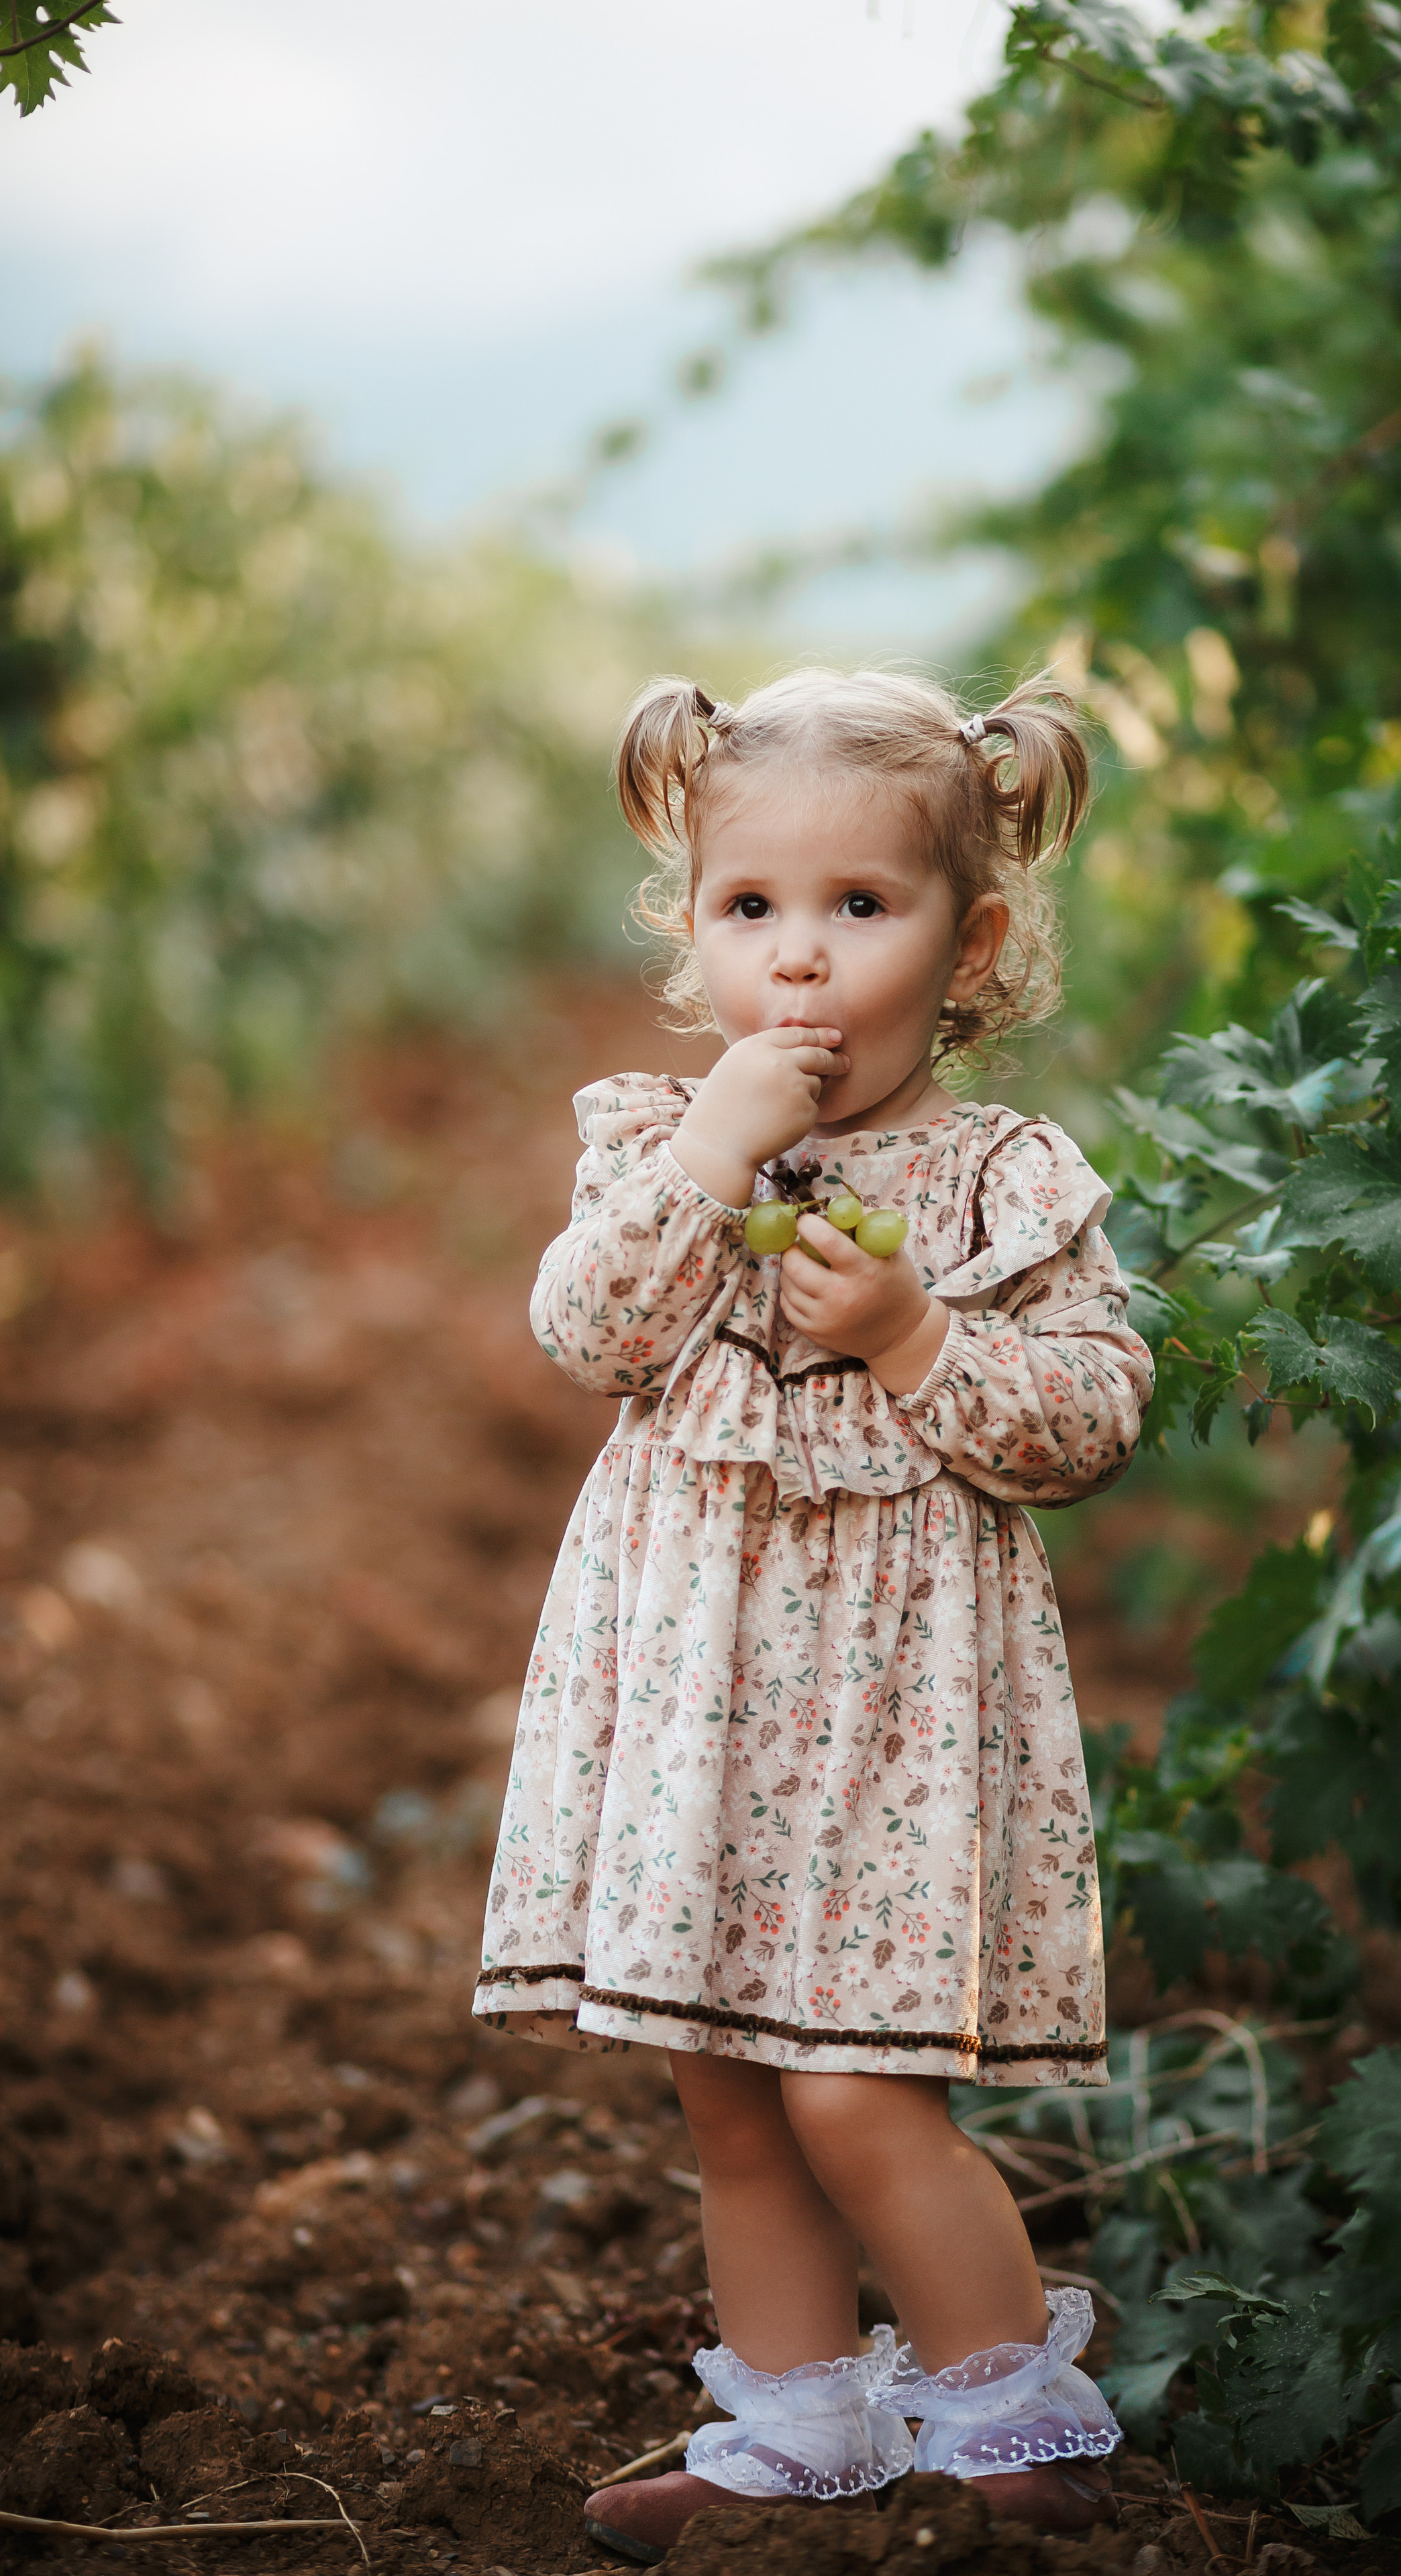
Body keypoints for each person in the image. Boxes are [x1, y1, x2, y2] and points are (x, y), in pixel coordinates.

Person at [471, 667, 1155, 2563]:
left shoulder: (1000, 1183)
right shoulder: (658, 1154)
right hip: (702, 1702)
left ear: (975, 940)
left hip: (892, 1717)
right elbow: (586, 1333)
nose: (800, 964)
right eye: (750, 909)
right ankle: (795, 2429)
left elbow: (1094, 1413)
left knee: (857, 2092)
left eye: (863, 908)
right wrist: (712, 1154)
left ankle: (1006, 2400)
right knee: (732, 2090)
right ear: (691, 934)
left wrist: (920, 1334)